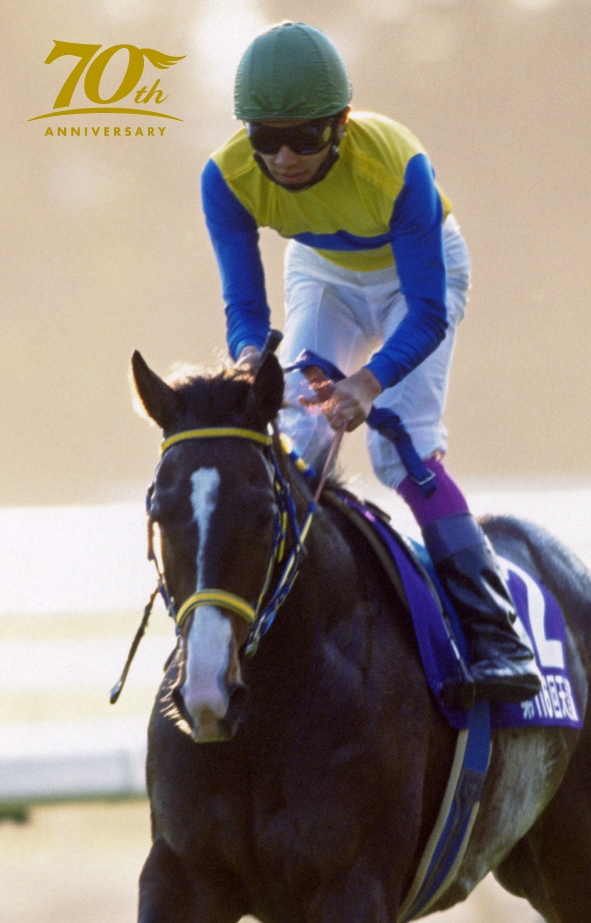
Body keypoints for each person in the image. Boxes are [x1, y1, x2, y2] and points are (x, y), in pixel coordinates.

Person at [201, 19, 541, 707]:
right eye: (266, 138)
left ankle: (498, 636)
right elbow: (245, 306)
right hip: (322, 270)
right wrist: (251, 361)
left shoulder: (396, 165)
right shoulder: (224, 178)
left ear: (342, 122)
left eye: (306, 137)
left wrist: (369, 380)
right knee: (299, 431)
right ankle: (264, 623)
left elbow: (427, 313)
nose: (285, 158)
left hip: (418, 278)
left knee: (398, 447)